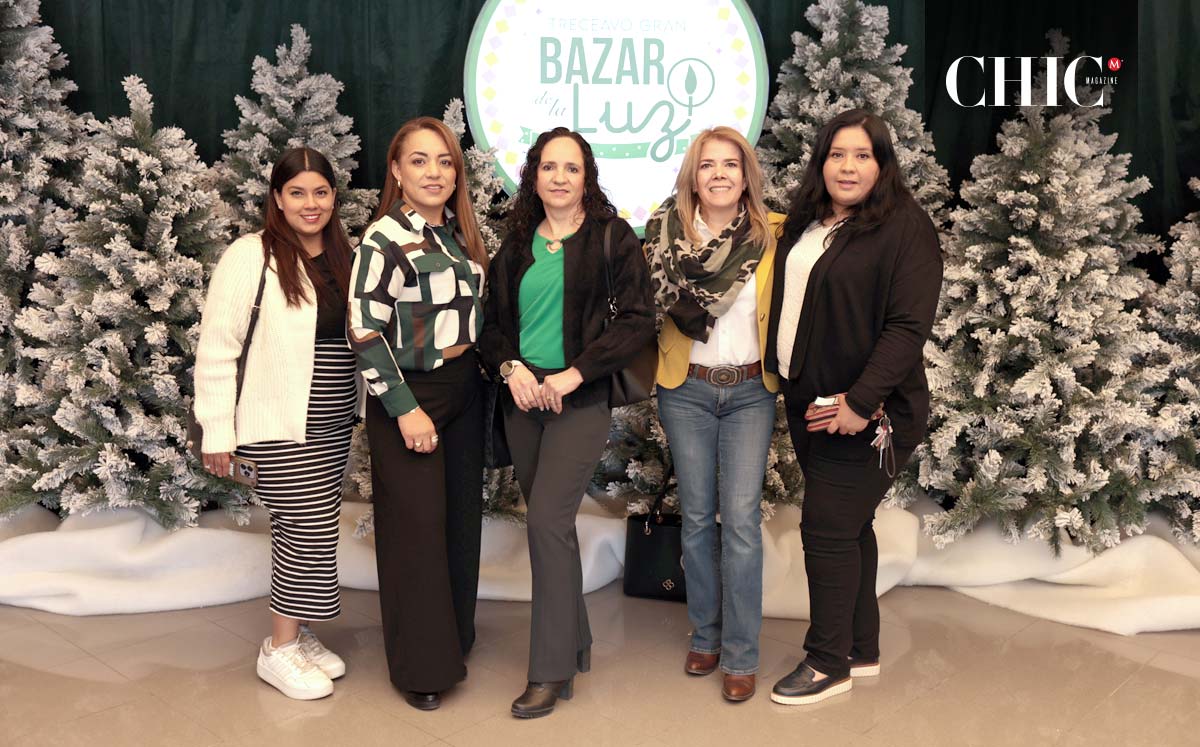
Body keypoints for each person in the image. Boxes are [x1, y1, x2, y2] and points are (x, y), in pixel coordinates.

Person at [764, 109, 943, 705]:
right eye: (837, 154)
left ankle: (827, 662)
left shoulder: (904, 228)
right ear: (822, 161)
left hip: (867, 413)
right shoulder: (809, 223)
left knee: (826, 529)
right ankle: (861, 646)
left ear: (882, 163)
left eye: (862, 155)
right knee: (849, 526)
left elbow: (907, 327)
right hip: (808, 401)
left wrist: (861, 402)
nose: (848, 166)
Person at [479, 127, 655, 719]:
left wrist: (575, 375)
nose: (559, 177)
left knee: (547, 524)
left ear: (587, 177)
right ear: (533, 176)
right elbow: (492, 325)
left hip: (578, 400)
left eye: (571, 168)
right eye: (548, 167)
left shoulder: (612, 238)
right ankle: (575, 644)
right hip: (524, 402)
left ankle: (548, 671)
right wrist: (511, 368)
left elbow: (636, 322)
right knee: (552, 529)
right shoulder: (518, 243)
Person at [195, 147, 358, 701]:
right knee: (301, 527)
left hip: (334, 420)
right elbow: (218, 348)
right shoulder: (251, 255)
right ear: (277, 199)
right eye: (297, 193)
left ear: (334, 197)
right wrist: (217, 430)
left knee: (317, 525)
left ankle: (301, 632)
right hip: (278, 421)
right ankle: (278, 649)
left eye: (320, 192)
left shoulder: (347, 255)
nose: (310, 204)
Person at [348, 117, 489, 711]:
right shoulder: (383, 238)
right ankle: (422, 668)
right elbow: (363, 329)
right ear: (397, 172)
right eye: (421, 161)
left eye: (445, 161)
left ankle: (455, 637)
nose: (435, 172)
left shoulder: (456, 235)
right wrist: (404, 410)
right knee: (417, 533)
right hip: (412, 395)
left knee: (458, 522)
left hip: (463, 390)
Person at [644, 127, 782, 702]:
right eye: (708, 165)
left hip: (751, 391)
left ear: (746, 173)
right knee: (698, 519)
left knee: (742, 523)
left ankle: (742, 655)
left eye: (731, 164)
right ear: (692, 175)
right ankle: (705, 635)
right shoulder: (661, 234)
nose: (720, 174)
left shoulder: (772, 232)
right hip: (687, 390)